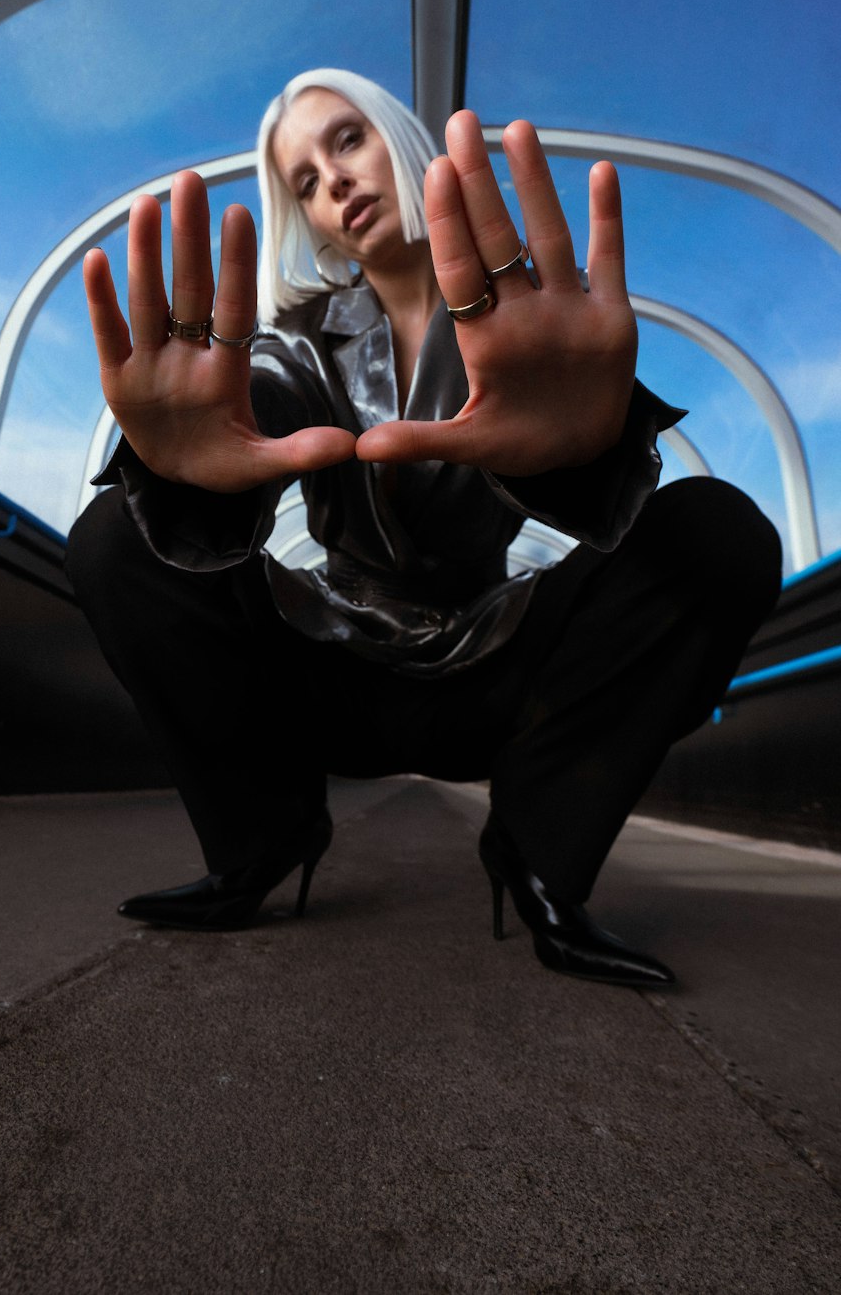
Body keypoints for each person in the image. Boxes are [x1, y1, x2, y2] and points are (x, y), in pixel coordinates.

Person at [66, 68, 781, 987]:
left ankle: (540, 854)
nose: (335, 183)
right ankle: (262, 837)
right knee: (114, 535)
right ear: (309, 223)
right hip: (333, 675)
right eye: (304, 183)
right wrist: (183, 476)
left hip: (503, 673)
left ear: (401, 140)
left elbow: (595, 478)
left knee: (717, 530)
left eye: (347, 141)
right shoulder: (290, 344)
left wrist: (583, 450)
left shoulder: (524, 320)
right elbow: (256, 415)